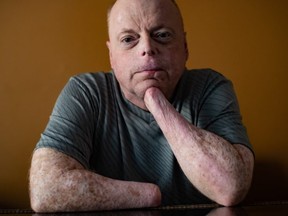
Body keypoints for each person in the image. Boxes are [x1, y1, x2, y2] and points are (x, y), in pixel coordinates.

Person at [29, 0, 254, 213]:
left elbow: (230, 188)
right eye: (128, 39)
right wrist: (148, 195)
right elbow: (46, 189)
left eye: (162, 35)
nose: (147, 48)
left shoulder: (210, 87)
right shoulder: (86, 92)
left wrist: (156, 101)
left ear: (185, 48)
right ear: (111, 55)